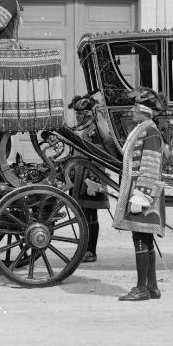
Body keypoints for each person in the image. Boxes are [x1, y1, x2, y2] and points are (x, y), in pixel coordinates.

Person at [112, 87, 167, 301]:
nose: (132, 110)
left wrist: (141, 195)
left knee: (141, 239)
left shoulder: (150, 131)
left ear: (144, 110)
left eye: (135, 107)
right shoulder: (144, 128)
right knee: (144, 238)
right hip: (139, 191)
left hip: (144, 194)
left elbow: (150, 165)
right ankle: (151, 287)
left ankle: (141, 288)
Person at [67, 93, 109, 262]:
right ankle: (83, 249)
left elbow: (99, 158)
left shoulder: (95, 130)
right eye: (76, 114)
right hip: (79, 177)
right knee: (82, 216)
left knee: (90, 216)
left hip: (90, 178)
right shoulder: (82, 129)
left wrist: (93, 181)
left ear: (89, 114)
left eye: (81, 114)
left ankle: (91, 251)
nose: (78, 117)